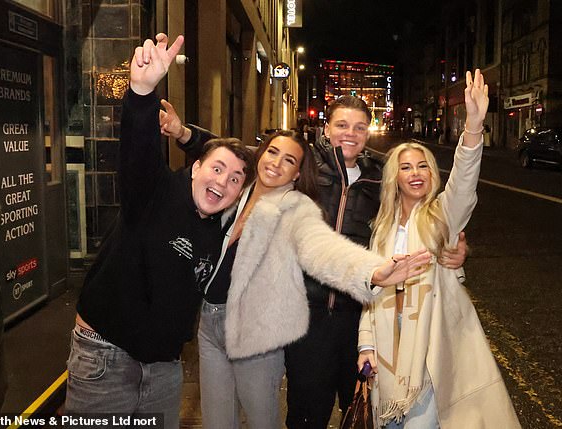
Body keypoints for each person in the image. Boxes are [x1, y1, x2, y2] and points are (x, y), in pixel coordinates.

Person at [160, 93, 468, 428]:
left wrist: (449, 246)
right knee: (307, 413)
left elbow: (418, 207)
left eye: (359, 127)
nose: (350, 133)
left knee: (362, 409)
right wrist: (184, 134)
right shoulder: (303, 166)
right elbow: (243, 157)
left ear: (367, 133)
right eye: (342, 125)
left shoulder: (380, 177)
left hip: (359, 315)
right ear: (326, 127)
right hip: (308, 318)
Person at [64, 34, 256, 429]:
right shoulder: (153, 190)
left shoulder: (218, 228)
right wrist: (142, 90)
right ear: (196, 167)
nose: (223, 182)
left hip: (164, 371)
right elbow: (138, 150)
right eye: (217, 169)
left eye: (236, 179)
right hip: (106, 359)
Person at [357, 70, 520, 428]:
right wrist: (365, 345)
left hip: (430, 344)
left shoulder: (441, 215)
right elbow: (371, 292)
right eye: (406, 167)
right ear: (394, 178)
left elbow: (463, 182)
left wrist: (473, 127)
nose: (416, 174)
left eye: (423, 167)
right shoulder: (381, 229)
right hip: (388, 343)